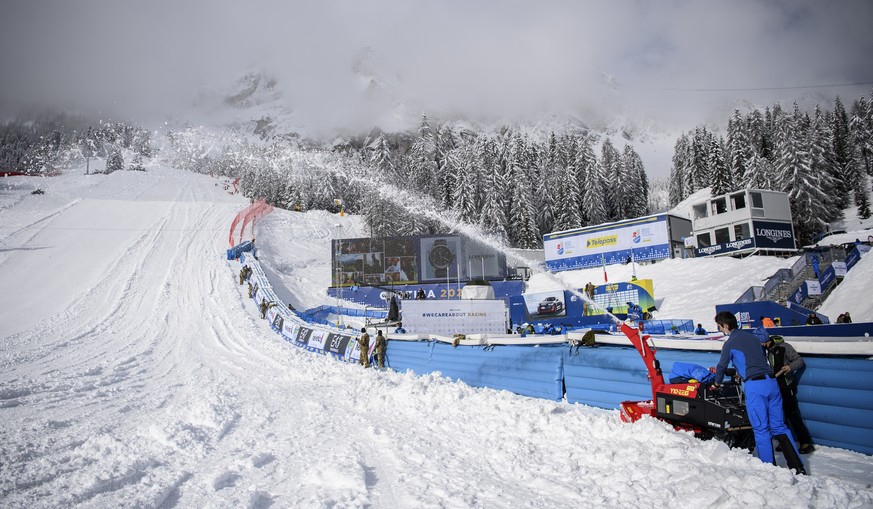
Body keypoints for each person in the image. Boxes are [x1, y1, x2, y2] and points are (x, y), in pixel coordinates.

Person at [710, 311, 806, 474]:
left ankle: (769, 470)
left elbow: (721, 366)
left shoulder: (730, 343)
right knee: (779, 426)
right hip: (772, 383)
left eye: (719, 327)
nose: (720, 330)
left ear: (725, 326)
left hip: (755, 386)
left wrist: (717, 383)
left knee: (761, 428)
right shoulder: (753, 338)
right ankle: (798, 467)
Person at [760, 334, 815, 454]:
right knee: (779, 416)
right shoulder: (764, 350)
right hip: (773, 386)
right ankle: (785, 441)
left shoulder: (784, 347)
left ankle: (805, 442)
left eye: (760, 341)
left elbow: (799, 361)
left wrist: (790, 367)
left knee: (792, 414)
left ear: (765, 340)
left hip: (786, 385)